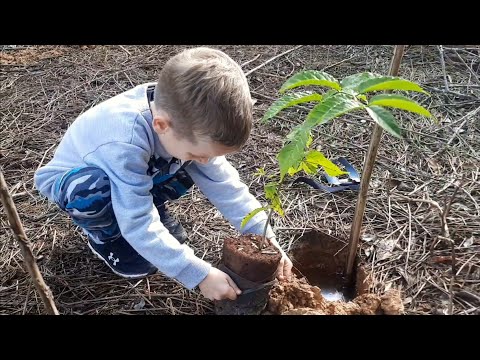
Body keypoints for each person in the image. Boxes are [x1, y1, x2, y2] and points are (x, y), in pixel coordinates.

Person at [34, 46, 292, 302]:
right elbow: (136, 222)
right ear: (160, 126)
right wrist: (198, 274)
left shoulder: (186, 120)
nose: (207, 160)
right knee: (94, 190)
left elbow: (227, 188)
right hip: (79, 183)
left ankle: (150, 206)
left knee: (190, 166)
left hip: (134, 178)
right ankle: (106, 237)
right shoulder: (124, 142)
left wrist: (269, 243)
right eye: (200, 152)